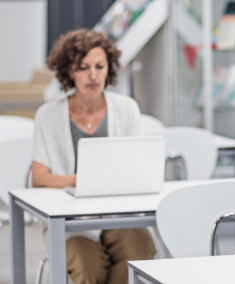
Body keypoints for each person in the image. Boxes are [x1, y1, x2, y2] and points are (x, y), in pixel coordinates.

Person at [33, 29, 155, 284]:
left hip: (118, 215)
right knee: (88, 266)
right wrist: (82, 180)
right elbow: (39, 177)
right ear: (68, 71)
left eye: (100, 66)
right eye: (83, 67)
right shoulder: (48, 115)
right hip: (67, 221)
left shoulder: (126, 109)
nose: (93, 75)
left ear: (108, 69)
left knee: (139, 250)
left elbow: (138, 168)